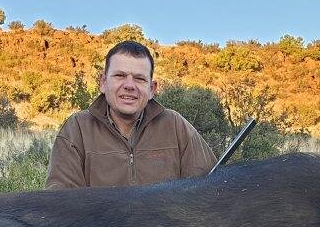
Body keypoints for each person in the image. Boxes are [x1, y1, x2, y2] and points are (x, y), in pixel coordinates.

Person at [46, 40, 216, 189]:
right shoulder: (77, 129)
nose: (129, 85)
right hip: (99, 226)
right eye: (120, 76)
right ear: (103, 83)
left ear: (152, 89)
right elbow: (61, 203)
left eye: (140, 79)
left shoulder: (175, 125)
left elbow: (210, 187)